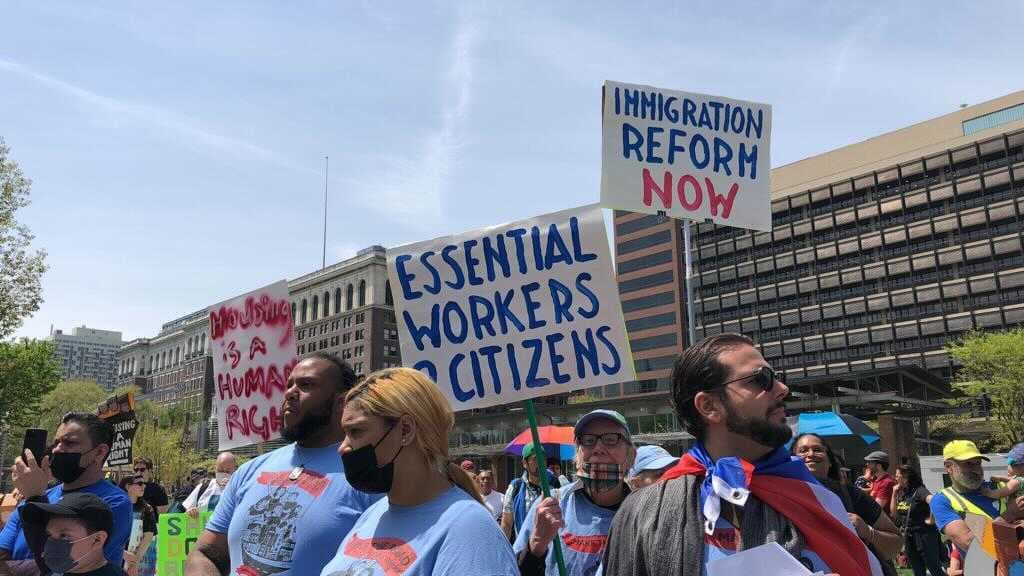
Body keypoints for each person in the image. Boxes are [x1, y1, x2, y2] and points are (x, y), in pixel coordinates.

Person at [603, 333, 885, 576]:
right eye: (761, 379)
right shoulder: (641, 513)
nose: (782, 389)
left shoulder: (818, 496)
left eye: (777, 378)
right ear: (709, 406)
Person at [186, 353, 380, 575]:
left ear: (341, 402)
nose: (289, 393)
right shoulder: (249, 471)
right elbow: (205, 553)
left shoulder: (369, 478)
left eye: (306, 385)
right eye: (289, 385)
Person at [319, 367, 517, 575]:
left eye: (356, 431)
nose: (343, 447)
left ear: (405, 430)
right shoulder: (373, 514)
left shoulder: (470, 531)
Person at [0, 412, 132, 576]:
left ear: (99, 452)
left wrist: (35, 498)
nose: (57, 449)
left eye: (69, 443)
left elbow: (63, 567)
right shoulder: (38, 494)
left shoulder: (114, 503)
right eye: (56, 442)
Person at [514, 409, 636, 576]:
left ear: (631, 455)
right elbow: (512, 570)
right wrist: (536, 546)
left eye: (610, 439)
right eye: (588, 440)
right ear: (577, 456)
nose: (598, 448)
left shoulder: (645, 513)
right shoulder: (550, 505)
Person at [791, 434, 901, 571]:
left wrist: (868, 532)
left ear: (830, 461)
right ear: (792, 459)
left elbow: (896, 544)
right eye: (803, 450)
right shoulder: (781, 495)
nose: (810, 454)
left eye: (817, 449)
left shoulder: (851, 495)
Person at [929, 440, 1017, 572]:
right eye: (968, 464)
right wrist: (1009, 515)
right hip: (986, 571)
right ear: (948, 467)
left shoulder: (1001, 487)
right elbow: (971, 543)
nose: (977, 470)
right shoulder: (943, 500)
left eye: (978, 463)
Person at [19, 493, 122, 575]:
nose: (50, 546)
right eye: (49, 535)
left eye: (64, 535)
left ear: (97, 540)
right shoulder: (67, 569)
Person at [890, 465, 944, 576]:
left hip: (924, 535)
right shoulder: (904, 493)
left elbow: (934, 500)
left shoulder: (919, 490)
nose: (895, 478)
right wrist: (894, 493)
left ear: (905, 477)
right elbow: (894, 514)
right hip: (909, 535)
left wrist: (931, 519)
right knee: (917, 569)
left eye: (897, 475)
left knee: (934, 568)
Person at [501, 443, 561, 543]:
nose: (540, 462)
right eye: (535, 459)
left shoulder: (556, 485)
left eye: (543, 458)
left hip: (551, 549)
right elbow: (507, 524)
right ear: (524, 463)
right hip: (524, 549)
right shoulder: (515, 487)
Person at [118, 476, 156, 576]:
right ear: (127, 486)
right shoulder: (115, 507)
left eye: (144, 484)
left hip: (139, 561)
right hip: (117, 559)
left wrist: (134, 563)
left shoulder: (147, 509)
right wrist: (122, 553)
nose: (144, 486)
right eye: (140, 484)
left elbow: (148, 537)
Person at [183, 452, 237, 518]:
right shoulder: (204, 486)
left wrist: (231, 489)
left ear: (235, 470)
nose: (224, 473)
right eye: (220, 470)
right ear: (215, 468)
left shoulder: (240, 489)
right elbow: (187, 510)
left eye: (228, 471)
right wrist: (190, 512)